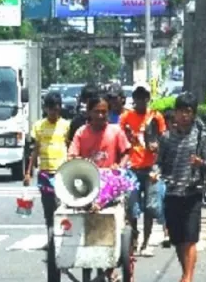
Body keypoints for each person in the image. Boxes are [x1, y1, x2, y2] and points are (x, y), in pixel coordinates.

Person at [67, 91, 131, 281]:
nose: (101, 115)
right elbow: (71, 156)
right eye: (97, 111)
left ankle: (109, 266)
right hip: (87, 182)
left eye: (104, 112)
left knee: (107, 217)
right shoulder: (81, 132)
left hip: (109, 184)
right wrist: (78, 163)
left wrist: (119, 166)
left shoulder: (115, 131)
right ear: (89, 112)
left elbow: (127, 152)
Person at [152, 92, 206, 282]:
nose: (185, 115)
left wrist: (200, 162)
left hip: (192, 192)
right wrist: (155, 172)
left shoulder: (201, 136)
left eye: (189, 112)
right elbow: (159, 162)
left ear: (193, 113)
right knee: (178, 240)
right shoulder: (167, 138)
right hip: (171, 193)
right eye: (181, 111)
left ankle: (188, 277)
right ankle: (185, 272)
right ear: (175, 113)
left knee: (190, 238)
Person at [119, 83, 166, 257]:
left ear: (148, 98)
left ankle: (146, 242)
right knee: (132, 207)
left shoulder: (156, 117)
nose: (140, 100)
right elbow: (120, 140)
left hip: (151, 167)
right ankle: (134, 237)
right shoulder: (126, 117)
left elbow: (164, 140)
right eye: (137, 97)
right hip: (132, 167)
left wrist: (157, 147)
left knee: (151, 207)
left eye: (143, 96)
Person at [23, 92, 70, 250]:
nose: (53, 113)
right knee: (48, 208)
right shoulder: (39, 126)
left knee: (62, 206)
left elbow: (70, 147)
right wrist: (28, 172)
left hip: (62, 173)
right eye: (51, 110)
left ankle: (62, 238)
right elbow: (35, 150)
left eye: (56, 110)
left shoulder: (66, 125)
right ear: (46, 109)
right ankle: (51, 238)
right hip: (44, 172)